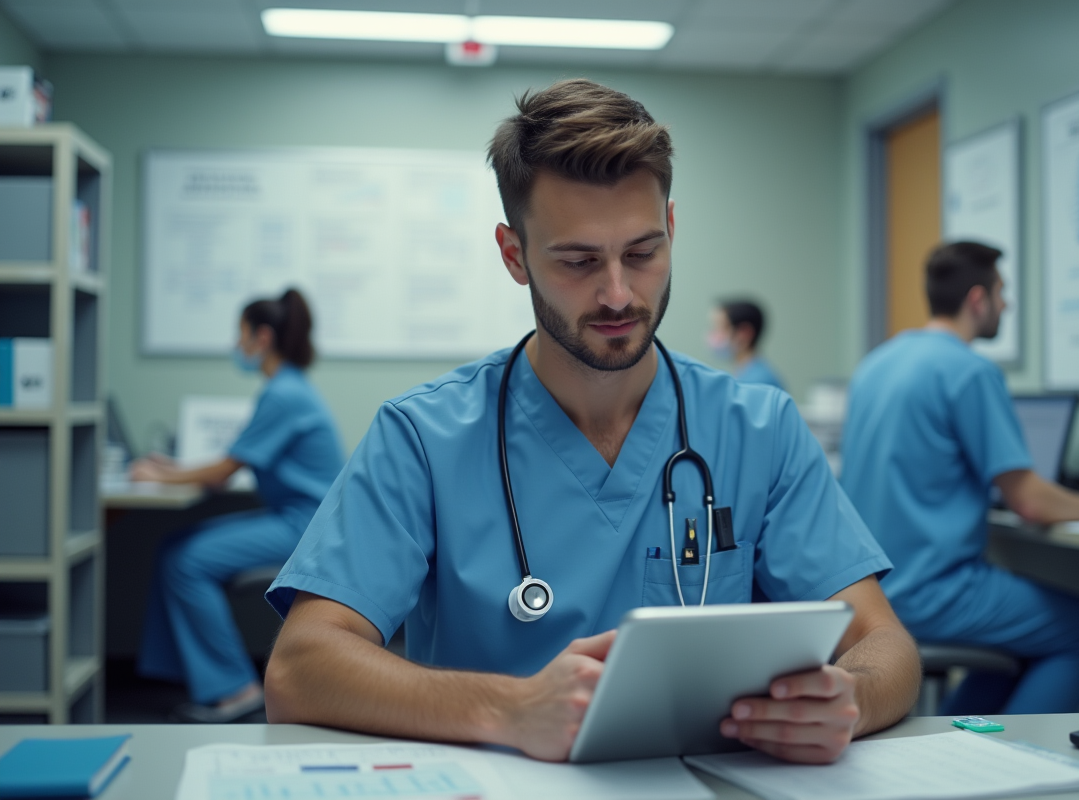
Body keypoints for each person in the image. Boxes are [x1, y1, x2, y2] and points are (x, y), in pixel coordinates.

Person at [262, 79, 919, 764]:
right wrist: (509, 708)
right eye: (578, 261)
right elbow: (300, 666)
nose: (617, 294)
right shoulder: (424, 437)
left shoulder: (758, 429)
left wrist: (850, 698)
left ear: (671, 229)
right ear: (514, 255)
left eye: (642, 253)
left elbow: (885, 643)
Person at [840, 241, 1079, 716]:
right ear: (978, 300)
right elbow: (1029, 501)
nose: (1007, 304)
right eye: (1002, 292)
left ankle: (956, 740)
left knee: (1020, 642)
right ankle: (1013, 756)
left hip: (870, 592)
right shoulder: (971, 371)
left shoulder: (875, 365)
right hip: (933, 591)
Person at [130, 288, 344, 723]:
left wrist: (158, 476)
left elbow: (222, 472)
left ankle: (235, 689)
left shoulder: (283, 394)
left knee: (185, 561)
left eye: (240, 334)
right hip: (298, 519)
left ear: (262, 337)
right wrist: (173, 469)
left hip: (306, 528)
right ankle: (194, 677)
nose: (236, 344)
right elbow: (228, 466)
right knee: (174, 546)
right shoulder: (287, 387)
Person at [707, 298, 787, 390]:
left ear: (744, 333)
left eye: (721, 327)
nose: (714, 334)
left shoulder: (758, 383)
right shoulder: (744, 374)